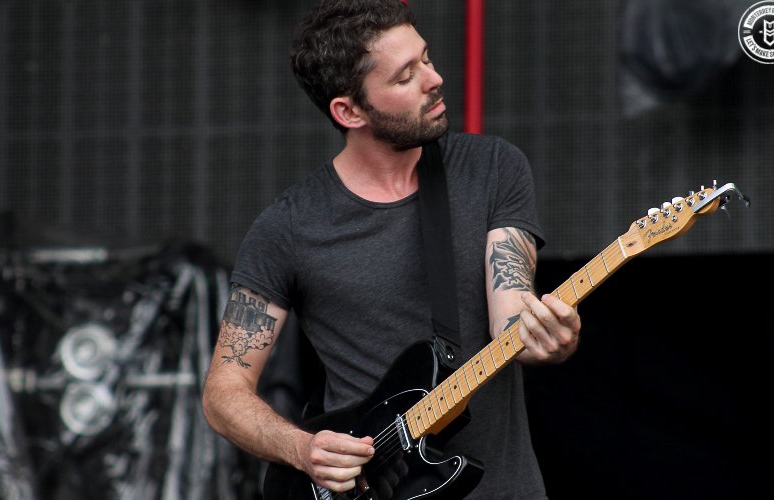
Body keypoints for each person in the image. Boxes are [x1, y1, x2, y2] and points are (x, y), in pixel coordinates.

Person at [201, 1, 581, 498]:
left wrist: (544, 336)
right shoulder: (288, 227)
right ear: (349, 111)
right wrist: (302, 448)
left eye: (426, 58)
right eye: (405, 77)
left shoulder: (492, 168)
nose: (434, 79)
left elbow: (510, 314)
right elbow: (224, 392)